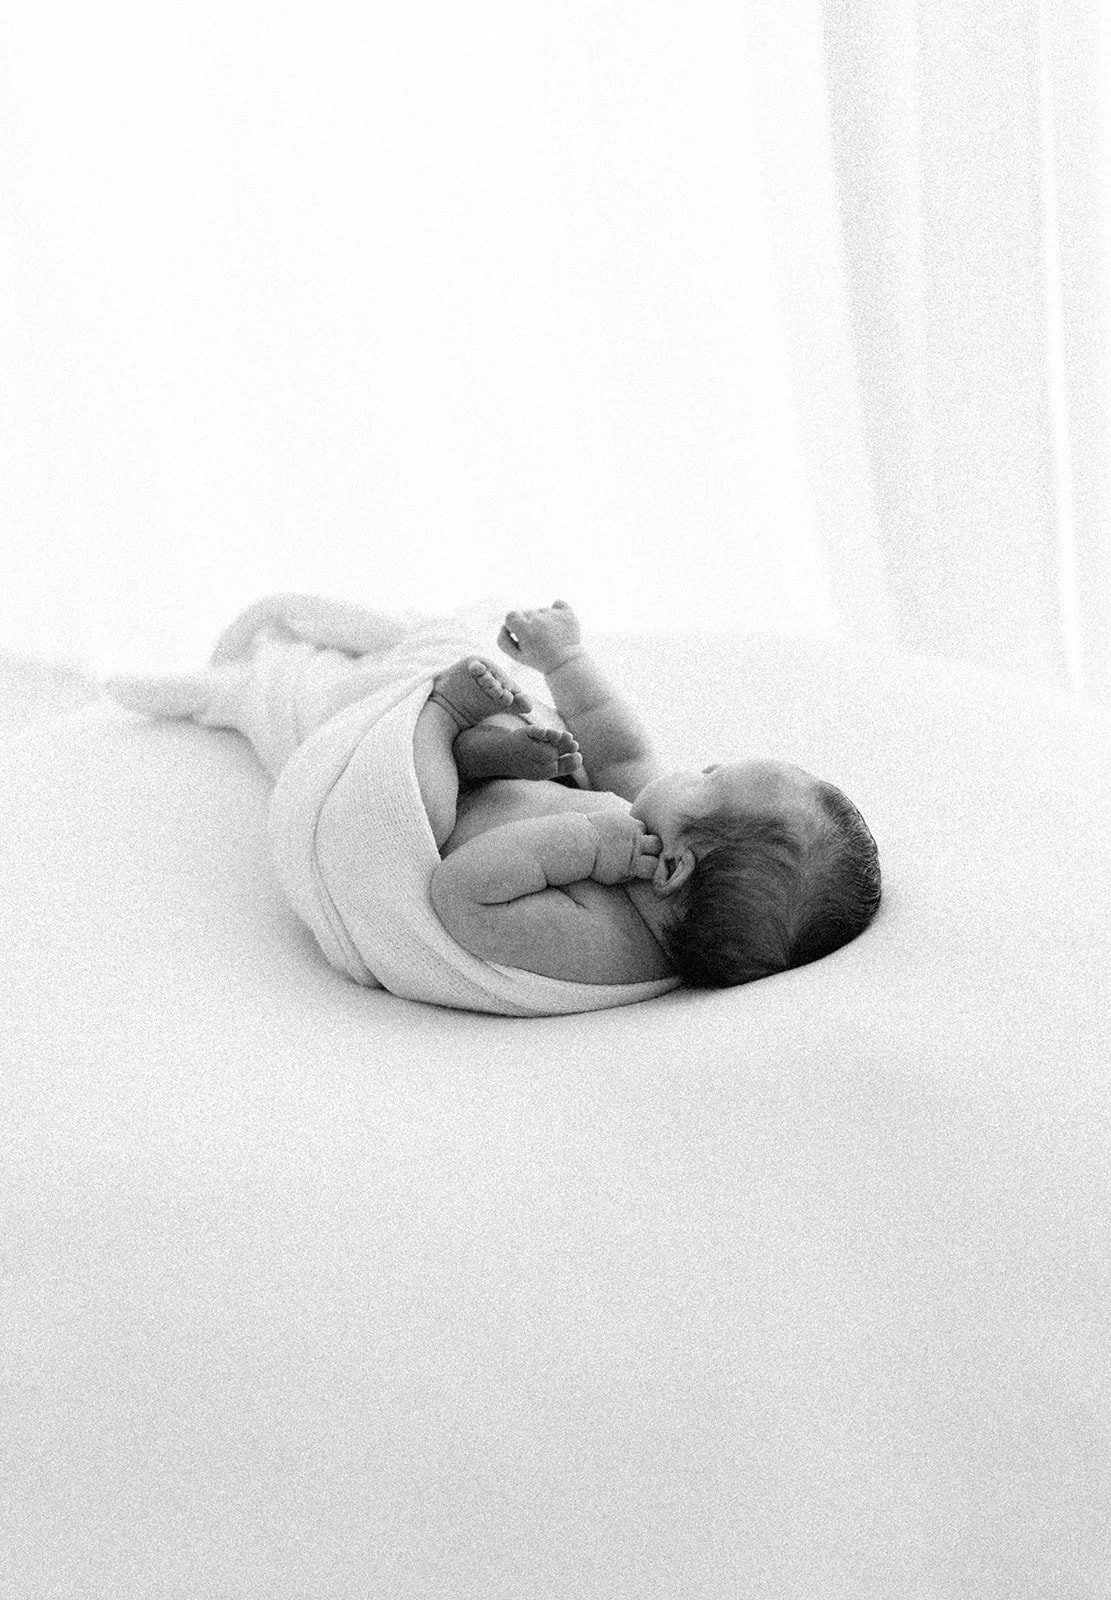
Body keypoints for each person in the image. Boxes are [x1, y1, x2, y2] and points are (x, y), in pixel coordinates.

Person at [418, 601, 882, 988]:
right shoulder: (648, 832)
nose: (704, 766)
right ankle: (480, 754)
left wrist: (584, 846)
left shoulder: (608, 946)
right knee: (556, 749)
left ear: (675, 868)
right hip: (496, 786)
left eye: (708, 780)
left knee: (428, 809)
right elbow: (621, 752)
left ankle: (444, 716)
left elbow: (460, 895)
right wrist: (565, 661)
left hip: (433, 826)